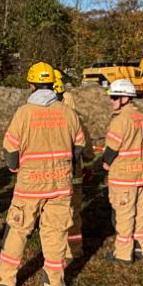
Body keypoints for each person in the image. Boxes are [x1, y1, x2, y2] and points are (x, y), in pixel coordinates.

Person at [0, 62, 85, 286]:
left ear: (31, 85)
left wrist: (14, 167)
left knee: (18, 231)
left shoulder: (24, 113)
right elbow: (79, 146)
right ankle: (55, 285)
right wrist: (68, 167)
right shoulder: (68, 113)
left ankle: (5, 280)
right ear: (53, 84)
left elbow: (10, 149)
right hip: (61, 185)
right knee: (55, 234)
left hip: (30, 185)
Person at [102, 79, 143, 264]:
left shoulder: (120, 120)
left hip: (123, 177)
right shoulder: (141, 117)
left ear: (124, 98)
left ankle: (122, 255)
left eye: (114, 97)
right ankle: (141, 247)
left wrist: (106, 164)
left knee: (123, 216)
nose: (111, 101)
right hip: (139, 174)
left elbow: (111, 150)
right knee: (139, 212)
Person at [54, 68, 89, 259]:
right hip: (72, 169)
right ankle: (73, 249)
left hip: (56, 172)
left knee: (58, 212)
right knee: (72, 211)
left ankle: (63, 248)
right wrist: (88, 160)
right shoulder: (73, 116)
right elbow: (83, 139)